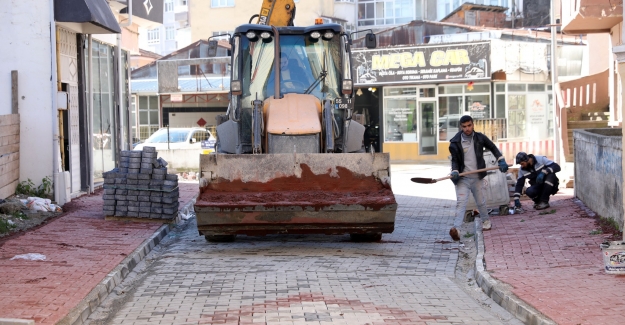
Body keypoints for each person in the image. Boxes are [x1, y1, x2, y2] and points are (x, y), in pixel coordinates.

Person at [448, 115, 508, 241]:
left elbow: (492, 147)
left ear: (473, 125)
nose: (467, 129)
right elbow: (454, 160)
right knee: (461, 203)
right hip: (463, 178)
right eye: (464, 127)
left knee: (480, 202)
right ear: (461, 127)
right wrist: (454, 171)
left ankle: (486, 221)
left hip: (477, 177)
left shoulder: (480, 138)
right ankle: (457, 229)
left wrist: (500, 159)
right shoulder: (455, 142)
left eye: (469, 125)